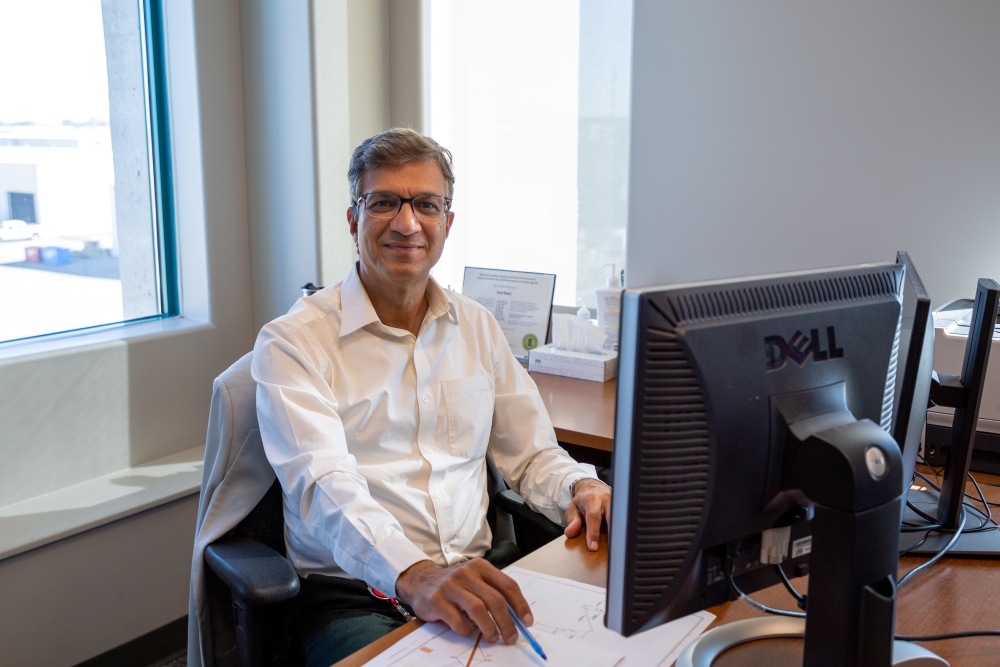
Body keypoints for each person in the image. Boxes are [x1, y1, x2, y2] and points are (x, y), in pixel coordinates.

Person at [252, 128, 612, 666]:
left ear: (447, 222)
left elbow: (531, 454)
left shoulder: (477, 326)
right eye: (384, 203)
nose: (406, 222)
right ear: (354, 221)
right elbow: (324, 487)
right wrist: (415, 575)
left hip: (482, 570)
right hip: (354, 596)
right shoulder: (293, 342)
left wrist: (580, 487)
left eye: (426, 204)